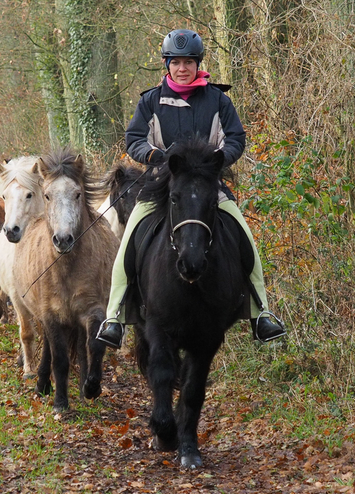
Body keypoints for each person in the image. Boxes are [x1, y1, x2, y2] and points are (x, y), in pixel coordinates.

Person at [96, 29, 286, 349]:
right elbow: (134, 140)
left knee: (244, 236)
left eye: (188, 62)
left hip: (208, 183)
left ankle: (261, 312)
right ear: (166, 64)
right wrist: (155, 156)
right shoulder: (150, 101)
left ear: (198, 64)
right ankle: (114, 316)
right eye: (175, 62)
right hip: (161, 183)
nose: (182, 68)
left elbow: (236, 139)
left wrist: (217, 161)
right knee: (129, 240)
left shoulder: (217, 100)